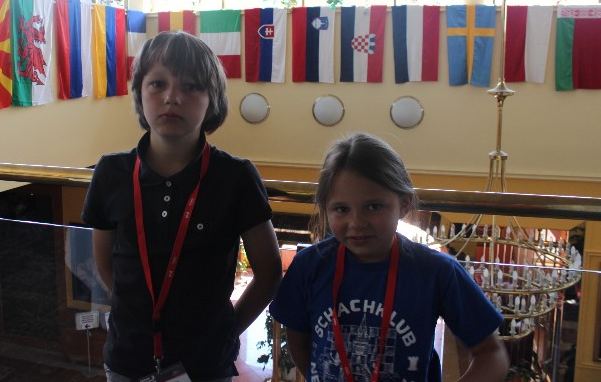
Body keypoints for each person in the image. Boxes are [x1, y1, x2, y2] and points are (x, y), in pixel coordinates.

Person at [83, 31, 282, 381]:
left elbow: (269, 273)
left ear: (212, 100)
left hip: (206, 365)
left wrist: (225, 331)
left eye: (191, 87)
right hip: (128, 358)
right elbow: (107, 265)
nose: (172, 97)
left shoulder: (235, 177)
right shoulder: (111, 172)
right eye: (158, 84)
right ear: (139, 93)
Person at [269, 132, 509, 382]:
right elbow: (299, 341)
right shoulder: (309, 266)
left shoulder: (437, 271)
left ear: (403, 204)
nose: (357, 222)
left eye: (373, 206)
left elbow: (491, 354)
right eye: (341, 209)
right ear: (326, 209)